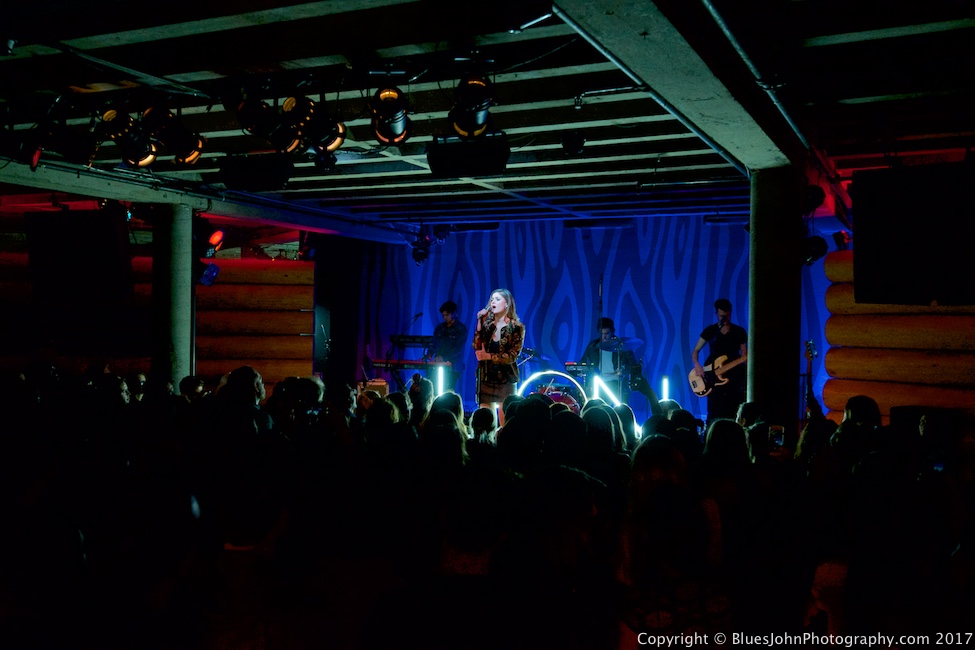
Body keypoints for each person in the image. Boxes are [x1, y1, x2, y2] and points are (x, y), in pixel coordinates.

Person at [691, 298, 747, 427]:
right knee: (714, 411)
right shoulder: (711, 331)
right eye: (722, 316)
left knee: (733, 409)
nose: (725, 318)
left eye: (728, 315)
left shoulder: (739, 332)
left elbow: (744, 356)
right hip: (713, 377)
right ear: (716, 314)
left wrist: (743, 362)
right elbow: (695, 351)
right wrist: (698, 366)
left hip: (733, 377)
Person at [472, 288, 524, 426]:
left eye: (497, 299)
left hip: (505, 380)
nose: (493, 302)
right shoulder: (487, 325)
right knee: (485, 422)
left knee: (504, 421)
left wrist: (488, 356)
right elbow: (476, 347)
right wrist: (479, 323)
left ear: (506, 304)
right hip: (486, 378)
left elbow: (512, 356)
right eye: (492, 299)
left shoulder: (516, 327)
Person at [581, 317, 638, 403]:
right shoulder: (593, 346)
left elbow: (633, 365)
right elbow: (582, 362)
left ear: (612, 332)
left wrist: (623, 371)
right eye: (601, 334)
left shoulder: (622, 345)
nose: (604, 337)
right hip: (598, 383)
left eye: (606, 333)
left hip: (616, 382)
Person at [427, 300, 468, 394]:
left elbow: (458, 348)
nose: (445, 317)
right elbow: (434, 342)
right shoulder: (440, 328)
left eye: (447, 314)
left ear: (454, 314)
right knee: (434, 388)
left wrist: (444, 358)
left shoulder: (461, 328)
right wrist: (429, 354)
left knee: (448, 390)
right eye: (443, 315)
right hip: (437, 363)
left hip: (453, 365)